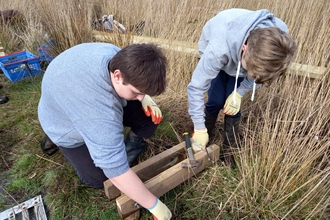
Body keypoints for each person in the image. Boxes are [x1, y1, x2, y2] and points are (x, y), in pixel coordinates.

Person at [38, 42, 172, 219]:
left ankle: (124, 155)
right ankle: (55, 137)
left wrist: (144, 97)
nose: (140, 97)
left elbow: (132, 92)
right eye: (137, 92)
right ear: (117, 76)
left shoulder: (116, 55)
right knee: (101, 178)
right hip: (61, 122)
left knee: (148, 119)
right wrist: (154, 205)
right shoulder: (99, 110)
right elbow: (112, 167)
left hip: (71, 93)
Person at [187, 8, 297, 166]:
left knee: (232, 108)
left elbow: (261, 76)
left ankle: (229, 150)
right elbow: (196, 87)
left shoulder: (279, 43)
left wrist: (239, 93)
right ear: (245, 49)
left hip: (241, 57)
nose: (251, 75)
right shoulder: (218, 49)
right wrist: (198, 128)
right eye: (250, 69)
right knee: (216, 101)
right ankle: (204, 137)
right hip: (221, 50)